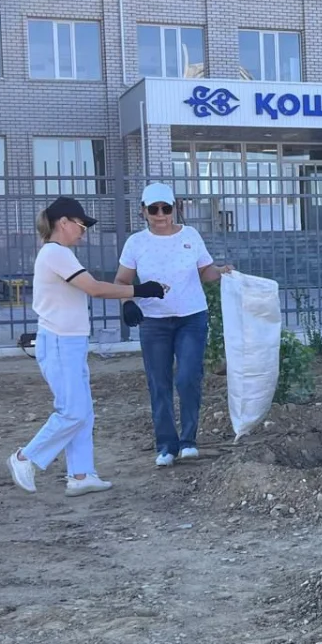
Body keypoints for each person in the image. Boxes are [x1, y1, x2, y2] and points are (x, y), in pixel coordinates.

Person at [7, 197, 166, 495]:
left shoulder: (59, 253)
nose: (83, 231)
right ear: (63, 223)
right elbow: (93, 287)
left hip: (69, 342)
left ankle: (81, 476)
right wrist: (140, 290)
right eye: (80, 225)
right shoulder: (56, 253)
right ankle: (25, 457)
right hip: (58, 343)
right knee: (73, 412)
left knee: (83, 411)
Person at [115, 183, 232, 468]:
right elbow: (121, 281)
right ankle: (166, 446)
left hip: (192, 317)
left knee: (188, 377)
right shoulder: (136, 243)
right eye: (153, 209)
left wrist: (221, 272)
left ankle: (189, 440)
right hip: (154, 322)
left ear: (175, 208)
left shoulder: (190, 236)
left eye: (165, 208)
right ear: (143, 211)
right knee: (159, 383)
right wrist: (127, 303)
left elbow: (204, 271)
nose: (160, 215)